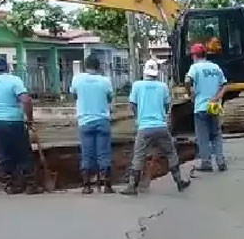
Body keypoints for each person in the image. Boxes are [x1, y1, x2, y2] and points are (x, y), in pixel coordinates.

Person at [121, 59, 191, 195]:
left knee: (139, 156)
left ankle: (132, 187)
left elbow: (133, 105)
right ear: (156, 73)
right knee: (170, 153)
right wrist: (161, 115)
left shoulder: (137, 86)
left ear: (144, 72)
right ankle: (179, 182)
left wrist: (139, 117)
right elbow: (166, 106)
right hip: (161, 126)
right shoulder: (163, 86)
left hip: (144, 127)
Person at [0, 56, 41, 194]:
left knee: (3, 153)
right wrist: (29, 119)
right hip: (14, 121)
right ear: (7, 67)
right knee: (23, 152)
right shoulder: (14, 80)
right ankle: (30, 185)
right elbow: (26, 100)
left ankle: (11, 185)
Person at [70, 54, 114, 194]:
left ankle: (86, 185)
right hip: (102, 120)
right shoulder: (105, 81)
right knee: (104, 153)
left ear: (85, 66)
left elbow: (74, 95)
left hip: (85, 121)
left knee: (87, 154)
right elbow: (109, 98)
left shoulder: (77, 79)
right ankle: (107, 185)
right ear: (99, 66)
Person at [185, 43, 228, 172]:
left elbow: (187, 81)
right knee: (216, 134)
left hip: (201, 107)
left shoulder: (195, 68)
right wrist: (217, 97)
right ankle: (220, 161)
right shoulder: (215, 67)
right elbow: (225, 85)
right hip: (214, 106)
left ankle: (206, 163)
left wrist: (190, 92)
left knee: (203, 136)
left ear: (194, 55)